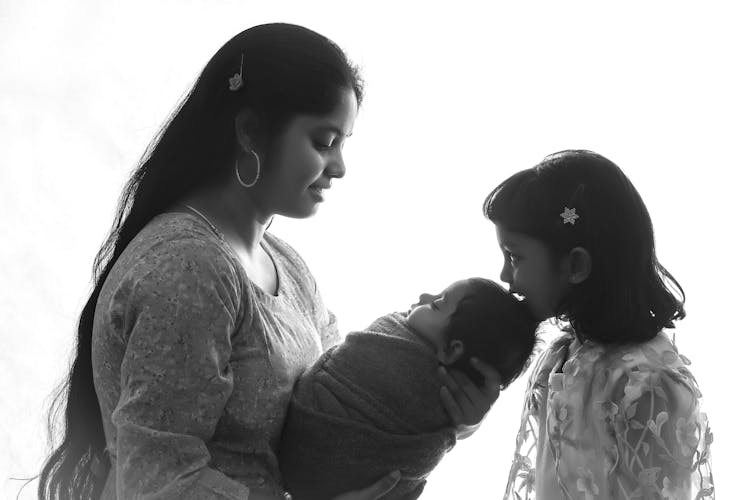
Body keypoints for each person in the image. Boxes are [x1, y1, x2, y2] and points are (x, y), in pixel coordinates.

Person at [36, 23, 503, 500]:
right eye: (323, 142)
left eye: (343, 143)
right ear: (250, 131)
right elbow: (156, 482)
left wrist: (451, 417)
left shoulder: (286, 266)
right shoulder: (189, 270)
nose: (340, 166)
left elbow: (335, 412)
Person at [484, 150, 714, 500]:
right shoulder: (563, 353)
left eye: (514, 257)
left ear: (576, 265)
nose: (504, 276)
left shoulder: (647, 384)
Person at [280, 278, 539, 499]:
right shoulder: (402, 345)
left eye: (436, 304)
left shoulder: (426, 379)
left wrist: (465, 425)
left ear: (452, 350)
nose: (423, 296)